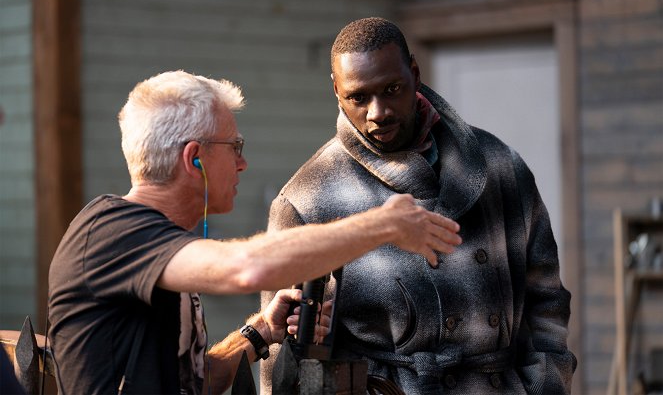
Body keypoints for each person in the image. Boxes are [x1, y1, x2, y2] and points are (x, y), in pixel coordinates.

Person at [46, 70, 462, 395]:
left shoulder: (154, 245)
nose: (242, 164)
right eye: (235, 148)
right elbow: (248, 267)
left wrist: (261, 330)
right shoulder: (109, 232)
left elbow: (196, 380)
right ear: (195, 160)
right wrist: (382, 223)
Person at [261, 18, 577, 394]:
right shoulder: (307, 200)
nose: (378, 112)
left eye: (391, 89)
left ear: (414, 72)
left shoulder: (499, 166)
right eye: (359, 97)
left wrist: (545, 386)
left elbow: (547, 298)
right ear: (336, 91)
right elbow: (283, 362)